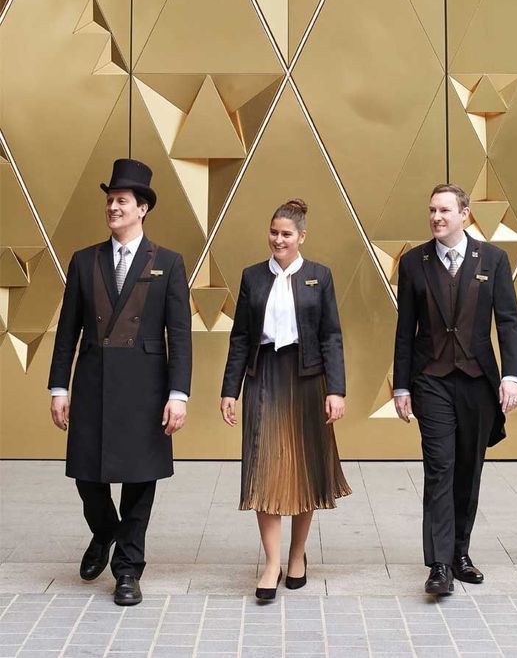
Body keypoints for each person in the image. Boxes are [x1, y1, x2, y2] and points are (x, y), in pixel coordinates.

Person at [48, 159, 192, 606]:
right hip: (91, 381)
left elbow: (180, 335)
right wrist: (58, 387)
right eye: (110, 200)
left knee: (140, 480)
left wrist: (178, 393)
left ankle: (128, 569)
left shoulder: (167, 262)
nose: (113, 207)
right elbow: (67, 329)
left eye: (122, 201)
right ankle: (105, 530)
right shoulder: (83, 259)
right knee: (86, 477)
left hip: (147, 388)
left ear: (142, 208)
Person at [393, 184, 517, 595]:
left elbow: (508, 321)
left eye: (445, 210)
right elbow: (404, 330)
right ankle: (439, 565)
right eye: (432, 210)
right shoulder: (414, 262)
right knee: (440, 467)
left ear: (464, 214)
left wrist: (512, 375)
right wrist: (400, 385)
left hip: (476, 381)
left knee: (469, 468)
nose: (436, 217)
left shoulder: (494, 259)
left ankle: (460, 553)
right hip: (430, 379)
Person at [220, 198, 351, 601]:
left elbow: (331, 335)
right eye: (274, 232)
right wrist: (230, 389)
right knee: (265, 467)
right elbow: (241, 336)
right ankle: (271, 562)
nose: (279, 239)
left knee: (305, 466)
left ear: (301, 237)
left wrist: (336, 389)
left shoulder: (319, 276)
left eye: (287, 234)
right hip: (265, 377)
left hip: (307, 377)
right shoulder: (252, 277)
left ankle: (297, 555)